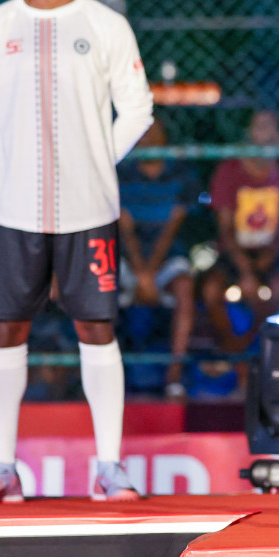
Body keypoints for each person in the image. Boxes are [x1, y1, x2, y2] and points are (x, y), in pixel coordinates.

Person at [0, 0, 154, 502]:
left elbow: (139, 108)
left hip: (88, 208)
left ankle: (110, 468)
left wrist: (95, 159)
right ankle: (1, 468)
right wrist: (9, 159)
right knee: (6, 328)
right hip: (10, 211)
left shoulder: (106, 25)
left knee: (97, 328)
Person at [117, 118, 201, 398]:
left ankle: (173, 377)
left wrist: (150, 274)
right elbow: (124, 229)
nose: (149, 139)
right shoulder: (122, 174)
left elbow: (172, 227)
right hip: (129, 259)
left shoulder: (181, 176)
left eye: (155, 132)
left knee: (185, 289)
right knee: (96, 288)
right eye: (143, 134)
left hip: (166, 259)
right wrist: (141, 273)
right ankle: (109, 377)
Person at [201, 110, 279, 311]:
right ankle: (234, 342)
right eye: (260, 127)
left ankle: (265, 339)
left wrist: (260, 265)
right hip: (234, 251)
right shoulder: (229, 171)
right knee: (212, 289)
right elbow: (225, 228)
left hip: (272, 253)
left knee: (278, 289)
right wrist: (245, 269)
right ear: (248, 132)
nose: (266, 136)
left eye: (271, 128)